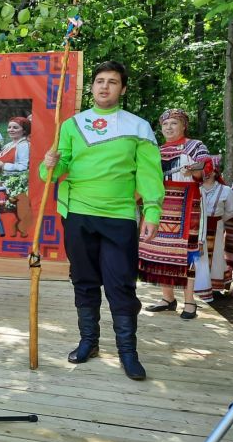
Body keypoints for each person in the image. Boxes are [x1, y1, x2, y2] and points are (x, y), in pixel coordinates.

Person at [40, 61, 164, 380]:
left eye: (112, 82)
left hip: (119, 214)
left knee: (121, 283)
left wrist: (152, 210)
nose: (104, 86)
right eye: (99, 81)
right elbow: (57, 167)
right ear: (92, 87)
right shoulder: (72, 125)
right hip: (78, 213)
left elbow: (150, 173)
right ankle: (88, 342)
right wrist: (49, 162)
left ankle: (128, 352)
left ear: (122, 89)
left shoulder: (138, 126)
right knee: (83, 279)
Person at [139, 108, 209, 319]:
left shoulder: (194, 146)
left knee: (186, 252)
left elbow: (206, 168)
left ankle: (190, 302)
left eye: (174, 123)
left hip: (188, 204)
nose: (169, 127)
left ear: (183, 125)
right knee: (159, 249)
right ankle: (168, 298)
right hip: (160, 204)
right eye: (165, 124)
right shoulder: (156, 150)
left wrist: (194, 170)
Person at [192, 157, 233, 307]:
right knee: (199, 256)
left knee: (216, 257)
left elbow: (230, 210)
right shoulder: (195, 188)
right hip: (197, 227)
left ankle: (215, 288)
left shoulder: (226, 190)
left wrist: (218, 220)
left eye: (210, 171)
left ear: (216, 172)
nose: (207, 174)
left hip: (216, 225)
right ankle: (197, 286)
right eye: (205, 172)